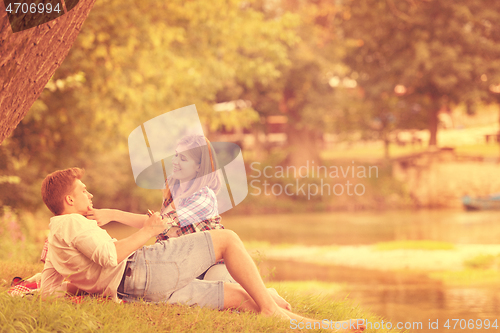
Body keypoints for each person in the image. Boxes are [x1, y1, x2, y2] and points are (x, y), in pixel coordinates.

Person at [40, 167, 365, 333]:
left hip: (137, 289)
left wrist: (74, 291)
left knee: (240, 298)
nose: (89, 194)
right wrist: (149, 231)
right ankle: (271, 304)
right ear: (69, 200)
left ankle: (322, 326)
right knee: (228, 239)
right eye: (83, 191)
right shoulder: (74, 224)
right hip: (141, 272)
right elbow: (111, 256)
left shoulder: (57, 232)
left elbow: (50, 286)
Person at [90, 135, 235, 283]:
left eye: (183, 159)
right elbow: (156, 224)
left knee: (216, 285)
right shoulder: (173, 191)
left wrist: (113, 214)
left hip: (210, 266)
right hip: (185, 266)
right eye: (176, 154)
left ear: (199, 166)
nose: (175, 161)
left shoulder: (204, 196)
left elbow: (159, 224)